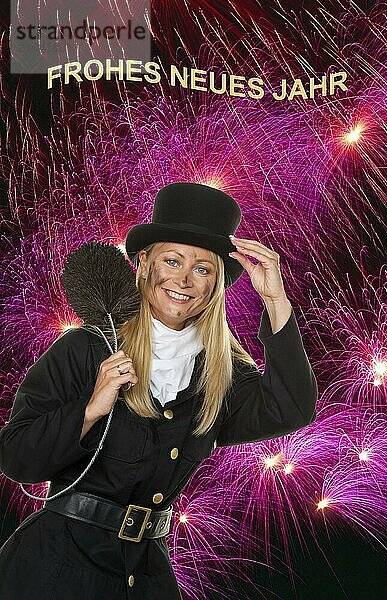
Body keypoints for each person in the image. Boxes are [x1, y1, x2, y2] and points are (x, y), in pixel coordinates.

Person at [0, 182, 318, 599]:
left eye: (202, 269)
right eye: (172, 261)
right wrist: (91, 409)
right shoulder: (85, 348)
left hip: (147, 572)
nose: (184, 280)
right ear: (145, 264)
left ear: (215, 284)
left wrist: (275, 301)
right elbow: (16, 457)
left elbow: (292, 407)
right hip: (55, 569)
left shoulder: (222, 374)